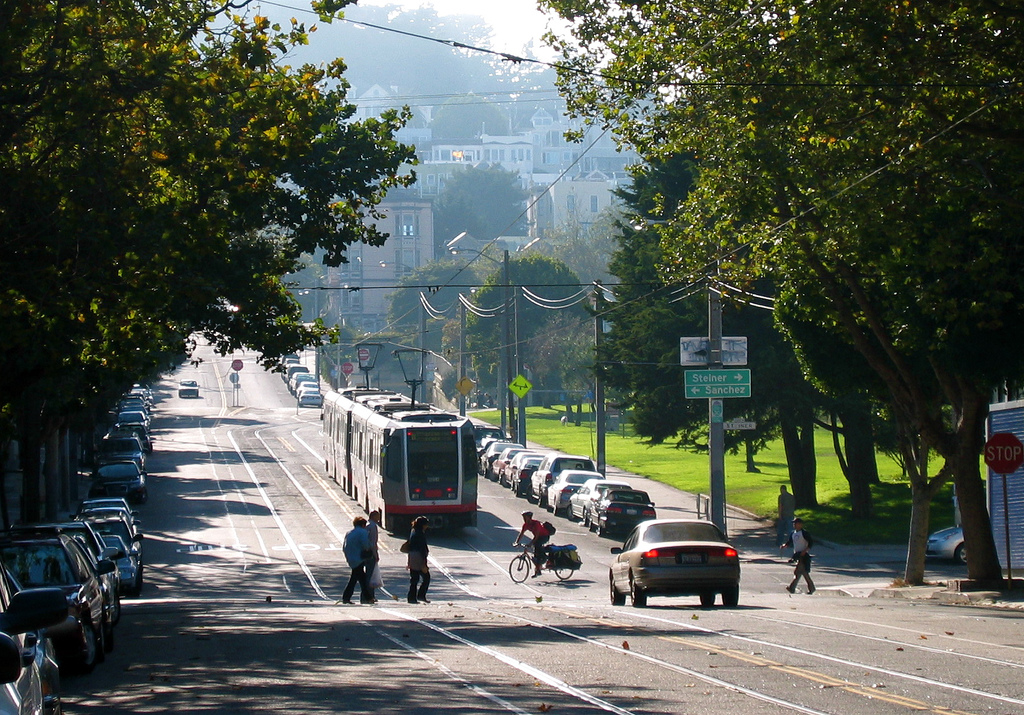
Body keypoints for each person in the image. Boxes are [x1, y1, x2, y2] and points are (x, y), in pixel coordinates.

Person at [342, 516, 374, 604]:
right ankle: (368, 598)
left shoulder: (349, 533)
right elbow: (366, 545)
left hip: (351, 558)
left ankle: (346, 597)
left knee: (355, 578)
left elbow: (344, 547)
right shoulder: (363, 532)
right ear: (363, 525)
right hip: (359, 558)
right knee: (362, 579)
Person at [780, 517, 815, 594]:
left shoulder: (804, 533)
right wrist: (784, 545)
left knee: (800, 572)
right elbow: (790, 542)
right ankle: (809, 588)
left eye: (796, 523)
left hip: (804, 556)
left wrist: (805, 551)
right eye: (794, 523)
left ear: (800, 524)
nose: (794, 525)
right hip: (797, 555)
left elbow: (811, 543)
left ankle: (793, 588)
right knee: (801, 573)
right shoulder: (793, 533)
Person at [513, 510, 551, 577]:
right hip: (538, 537)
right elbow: (521, 534)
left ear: (529, 517)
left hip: (544, 536)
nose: (524, 519)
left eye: (525, 517)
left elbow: (536, 537)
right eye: (523, 517)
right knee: (535, 553)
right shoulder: (525, 525)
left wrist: (530, 544)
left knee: (537, 546)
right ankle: (538, 569)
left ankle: (543, 559)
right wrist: (516, 542)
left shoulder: (536, 524)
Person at [406, 516, 431, 604]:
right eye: (426, 524)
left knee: (414, 578)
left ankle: (411, 597)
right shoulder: (420, 533)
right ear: (423, 525)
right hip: (418, 557)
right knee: (426, 577)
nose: (427, 526)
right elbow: (422, 549)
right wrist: (424, 563)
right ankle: (420, 595)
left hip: (412, 555)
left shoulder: (413, 531)